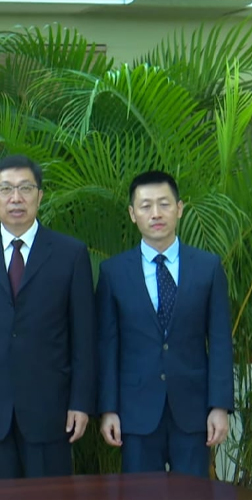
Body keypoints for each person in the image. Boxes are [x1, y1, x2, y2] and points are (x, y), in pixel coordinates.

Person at [0, 154, 96, 479]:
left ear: (40, 196)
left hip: (51, 409)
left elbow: (84, 339)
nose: (16, 198)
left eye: (25, 188)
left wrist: (81, 402)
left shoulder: (70, 255)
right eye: (6, 189)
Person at [97, 171, 233, 478]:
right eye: (145, 206)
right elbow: (107, 345)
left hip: (194, 410)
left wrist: (220, 406)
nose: (155, 214)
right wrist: (109, 409)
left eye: (164, 204)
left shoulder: (208, 267)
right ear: (133, 214)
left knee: (194, 493)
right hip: (136, 411)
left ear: (180, 208)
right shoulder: (113, 272)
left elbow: (221, 340)